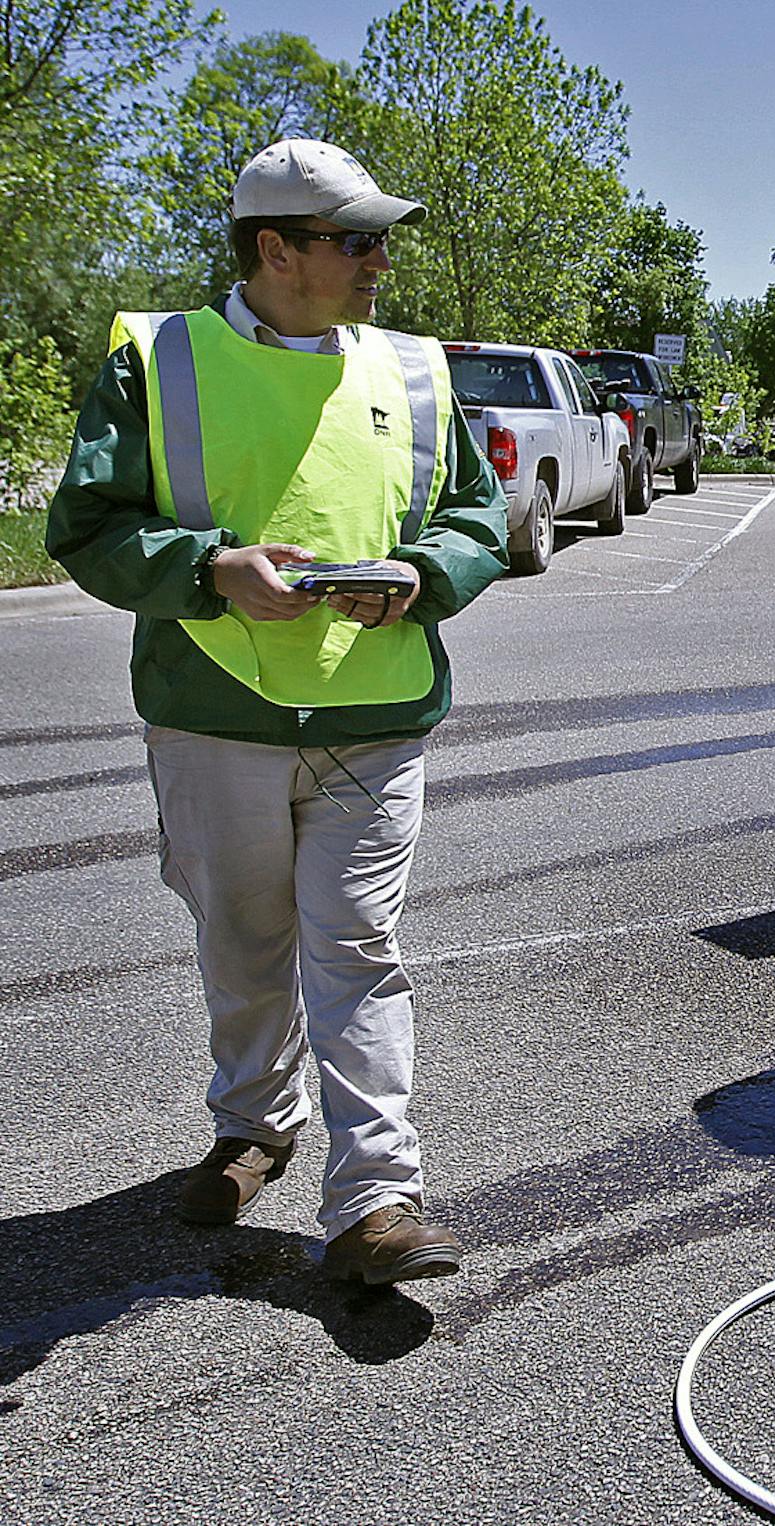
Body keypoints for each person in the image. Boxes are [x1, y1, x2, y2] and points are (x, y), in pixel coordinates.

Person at [45, 139, 508, 1285]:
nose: (379, 262)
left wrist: (420, 575)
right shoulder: (160, 358)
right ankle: (255, 1126)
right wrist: (210, 567)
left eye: (378, 238)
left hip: (376, 713)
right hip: (215, 716)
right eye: (354, 239)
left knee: (357, 949)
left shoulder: (414, 370)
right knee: (245, 945)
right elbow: (87, 529)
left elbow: (477, 519)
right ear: (275, 248)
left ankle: (378, 1200)